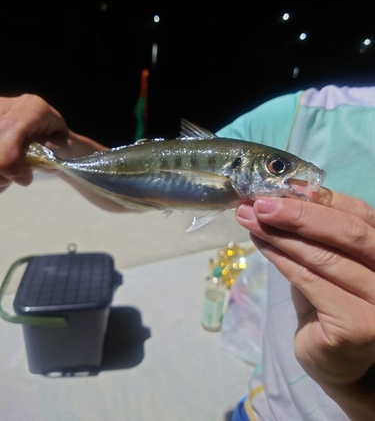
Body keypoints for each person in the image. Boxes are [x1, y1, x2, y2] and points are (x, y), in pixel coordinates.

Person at [1, 87, 375, 420]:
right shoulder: (300, 115)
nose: (287, 176)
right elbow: (146, 185)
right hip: (257, 406)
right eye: (278, 167)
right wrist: (60, 146)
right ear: (237, 168)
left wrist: (353, 391)